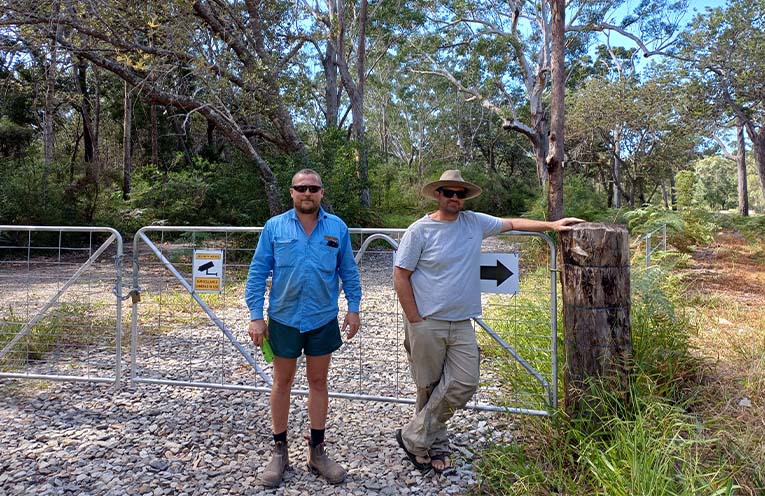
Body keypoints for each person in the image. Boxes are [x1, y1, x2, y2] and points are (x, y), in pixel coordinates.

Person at [393, 169, 583, 473]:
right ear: (438, 195)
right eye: (448, 192)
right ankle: (432, 444)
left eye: (460, 194)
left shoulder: (474, 222)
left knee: (463, 383)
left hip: (462, 321)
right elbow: (401, 275)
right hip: (427, 321)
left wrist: (552, 224)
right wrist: (414, 318)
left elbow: (512, 223)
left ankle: (412, 436)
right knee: (429, 386)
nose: (455, 198)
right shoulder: (420, 230)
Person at [245, 169, 362, 487]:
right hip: (284, 319)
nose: (307, 193)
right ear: (292, 192)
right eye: (301, 188)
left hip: (322, 319)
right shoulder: (274, 227)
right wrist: (256, 316)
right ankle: (279, 451)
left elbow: (348, 271)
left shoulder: (337, 228)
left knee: (318, 382)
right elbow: (257, 271)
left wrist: (353, 309)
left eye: (313, 188)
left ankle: (317, 452)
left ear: (321, 192)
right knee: (281, 382)